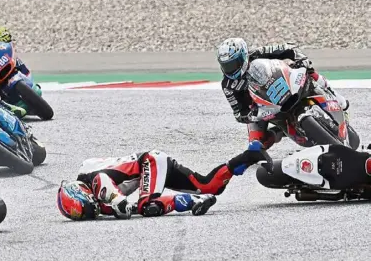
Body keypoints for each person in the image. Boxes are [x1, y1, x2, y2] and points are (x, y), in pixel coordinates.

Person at [56, 141, 267, 220]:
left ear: (79, 193)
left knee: (146, 204)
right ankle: (249, 156)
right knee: (208, 186)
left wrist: (119, 207)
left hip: (149, 162)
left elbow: (120, 203)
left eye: (78, 211)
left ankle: (187, 201)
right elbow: (129, 209)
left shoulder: (94, 180)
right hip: (155, 163)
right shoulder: (95, 198)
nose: (83, 214)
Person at [215, 38, 349, 149]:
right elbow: (239, 113)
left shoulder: (257, 53)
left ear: (243, 56)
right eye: (226, 65)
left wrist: (301, 60)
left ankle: (336, 96)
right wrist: (252, 114)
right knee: (255, 146)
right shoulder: (228, 86)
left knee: (309, 69)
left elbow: (289, 48)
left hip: (283, 86)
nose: (230, 69)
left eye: (233, 63)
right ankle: (276, 133)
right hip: (264, 108)